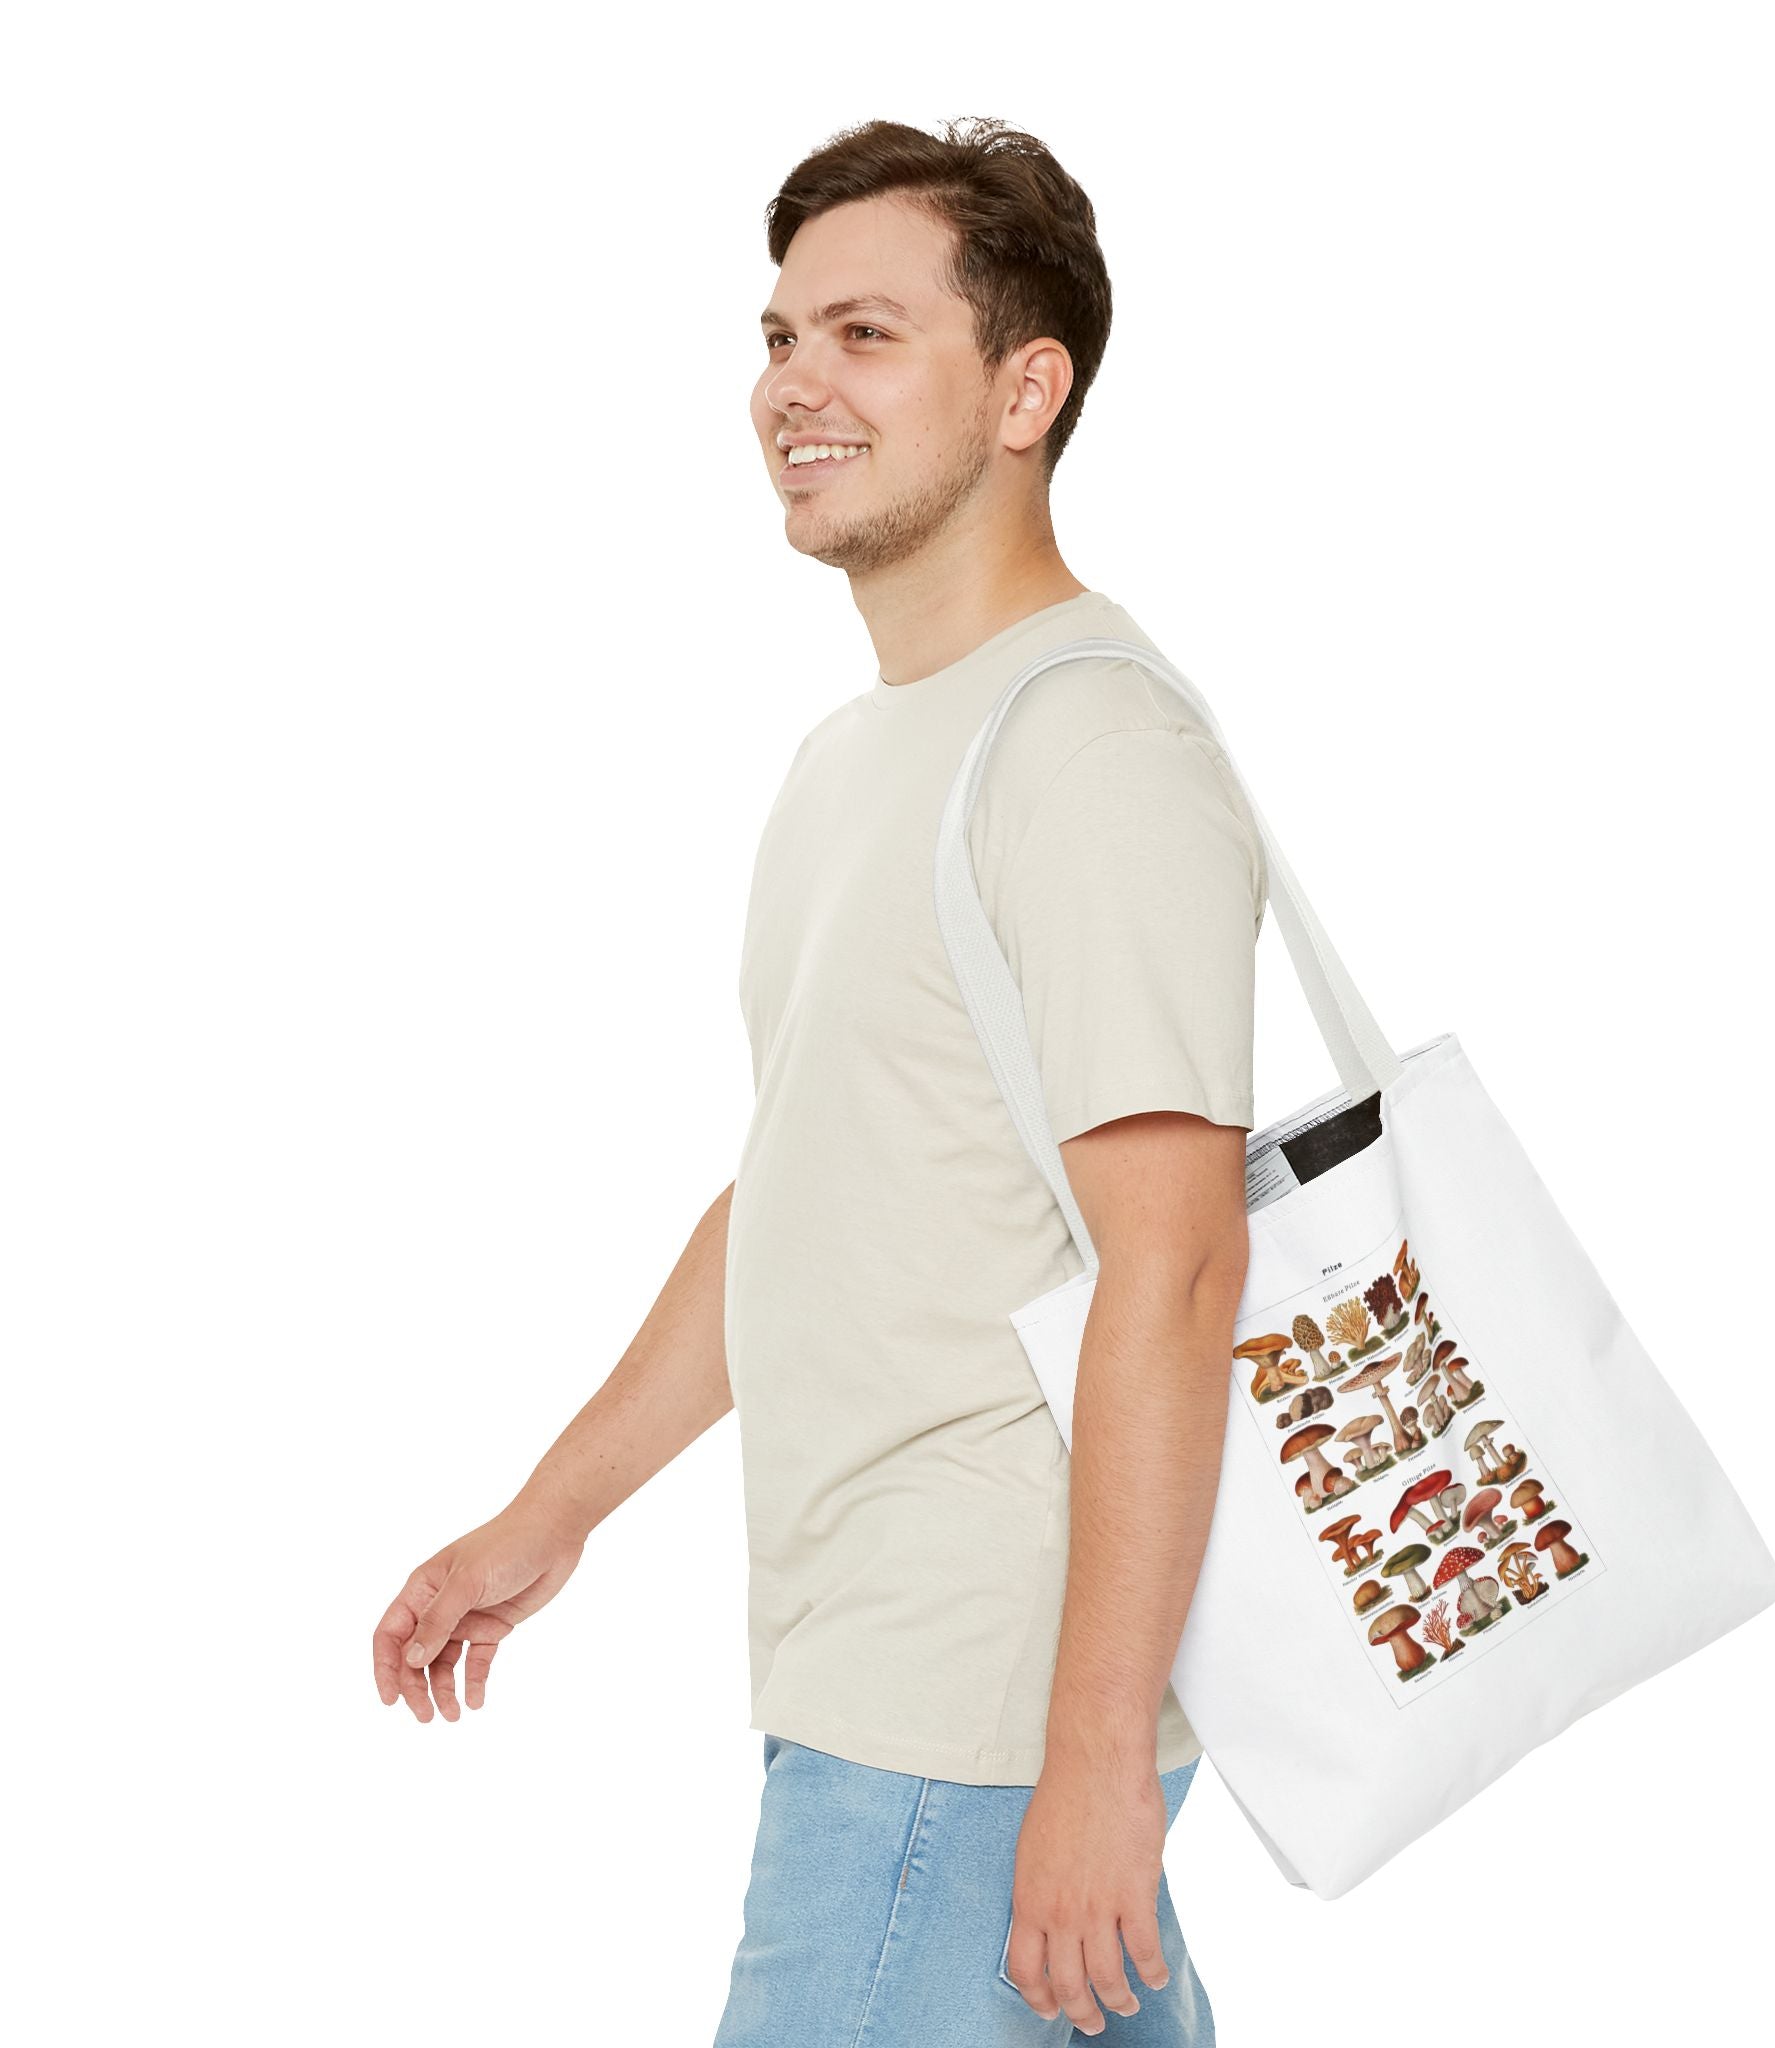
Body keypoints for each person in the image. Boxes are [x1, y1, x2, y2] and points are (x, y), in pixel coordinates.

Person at [371, 115, 1268, 2045]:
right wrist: (550, 1516)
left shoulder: (1087, 751)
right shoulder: (859, 761)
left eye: (867, 334)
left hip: (963, 1725)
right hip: (890, 1692)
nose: (795, 384)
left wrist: (1092, 1765)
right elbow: (805, 1194)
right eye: (780, 336)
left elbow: (1181, 1263)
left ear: (1026, 390)